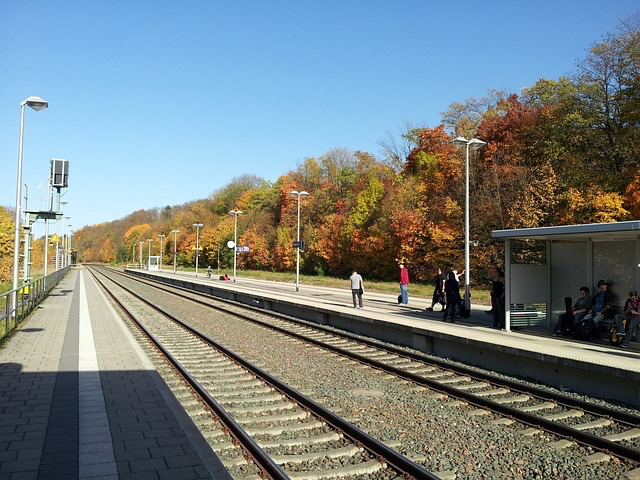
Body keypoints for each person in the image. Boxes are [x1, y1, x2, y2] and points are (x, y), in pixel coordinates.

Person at [489, 265, 505, 329]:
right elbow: (493, 286)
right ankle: (495, 322)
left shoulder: (501, 279)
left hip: (499, 295)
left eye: (495, 272)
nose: (494, 273)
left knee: (500, 310)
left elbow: (506, 286)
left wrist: (503, 294)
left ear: (498, 272)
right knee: (494, 309)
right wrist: (491, 291)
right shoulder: (494, 278)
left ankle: (501, 323)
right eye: (493, 271)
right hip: (494, 294)